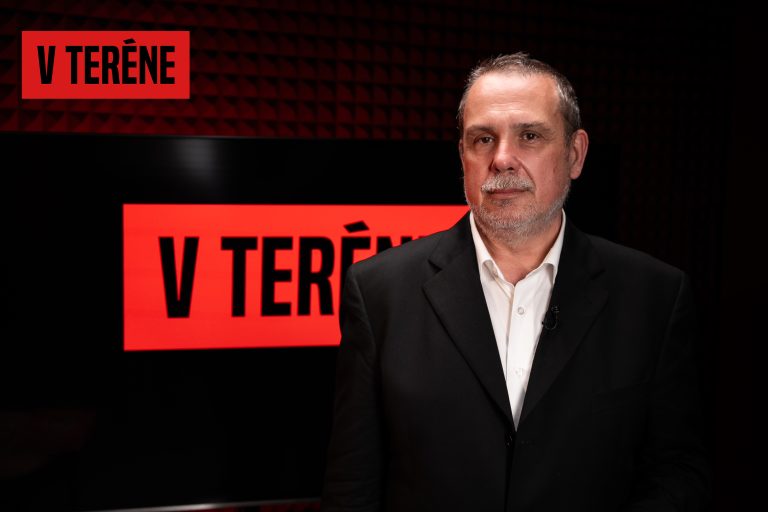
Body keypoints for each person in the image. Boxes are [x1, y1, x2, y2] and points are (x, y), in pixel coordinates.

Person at [320, 52, 710, 512]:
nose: (502, 159)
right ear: (462, 157)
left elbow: (677, 473)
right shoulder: (378, 292)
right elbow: (352, 485)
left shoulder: (655, 297)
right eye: (483, 139)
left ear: (575, 154)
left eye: (530, 136)